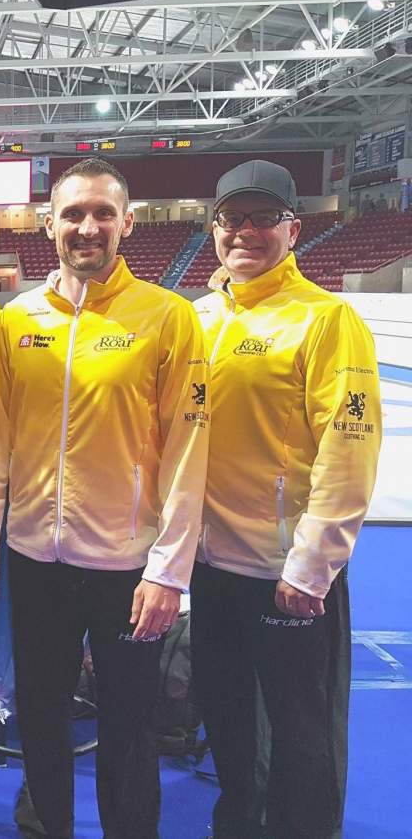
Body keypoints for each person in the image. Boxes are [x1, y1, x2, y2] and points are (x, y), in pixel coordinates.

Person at [0, 158, 209, 839]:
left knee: (128, 723)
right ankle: (47, 825)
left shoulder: (167, 318)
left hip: (127, 565)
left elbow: (190, 451)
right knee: (42, 713)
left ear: (127, 223)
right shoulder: (16, 321)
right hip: (35, 561)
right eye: (73, 214)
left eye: (103, 213)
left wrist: (168, 569)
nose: (88, 227)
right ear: (49, 225)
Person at [191, 160, 381, 839]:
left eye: (262, 217)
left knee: (302, 739)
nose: (245, 231)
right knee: (231, 729)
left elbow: (350, 445)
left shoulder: (328, 320)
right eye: (232, 218)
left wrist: (312, 566)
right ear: (214, 229)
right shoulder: (201, 317)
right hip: (211, 574)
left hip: (286, 577)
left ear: (293, 228)